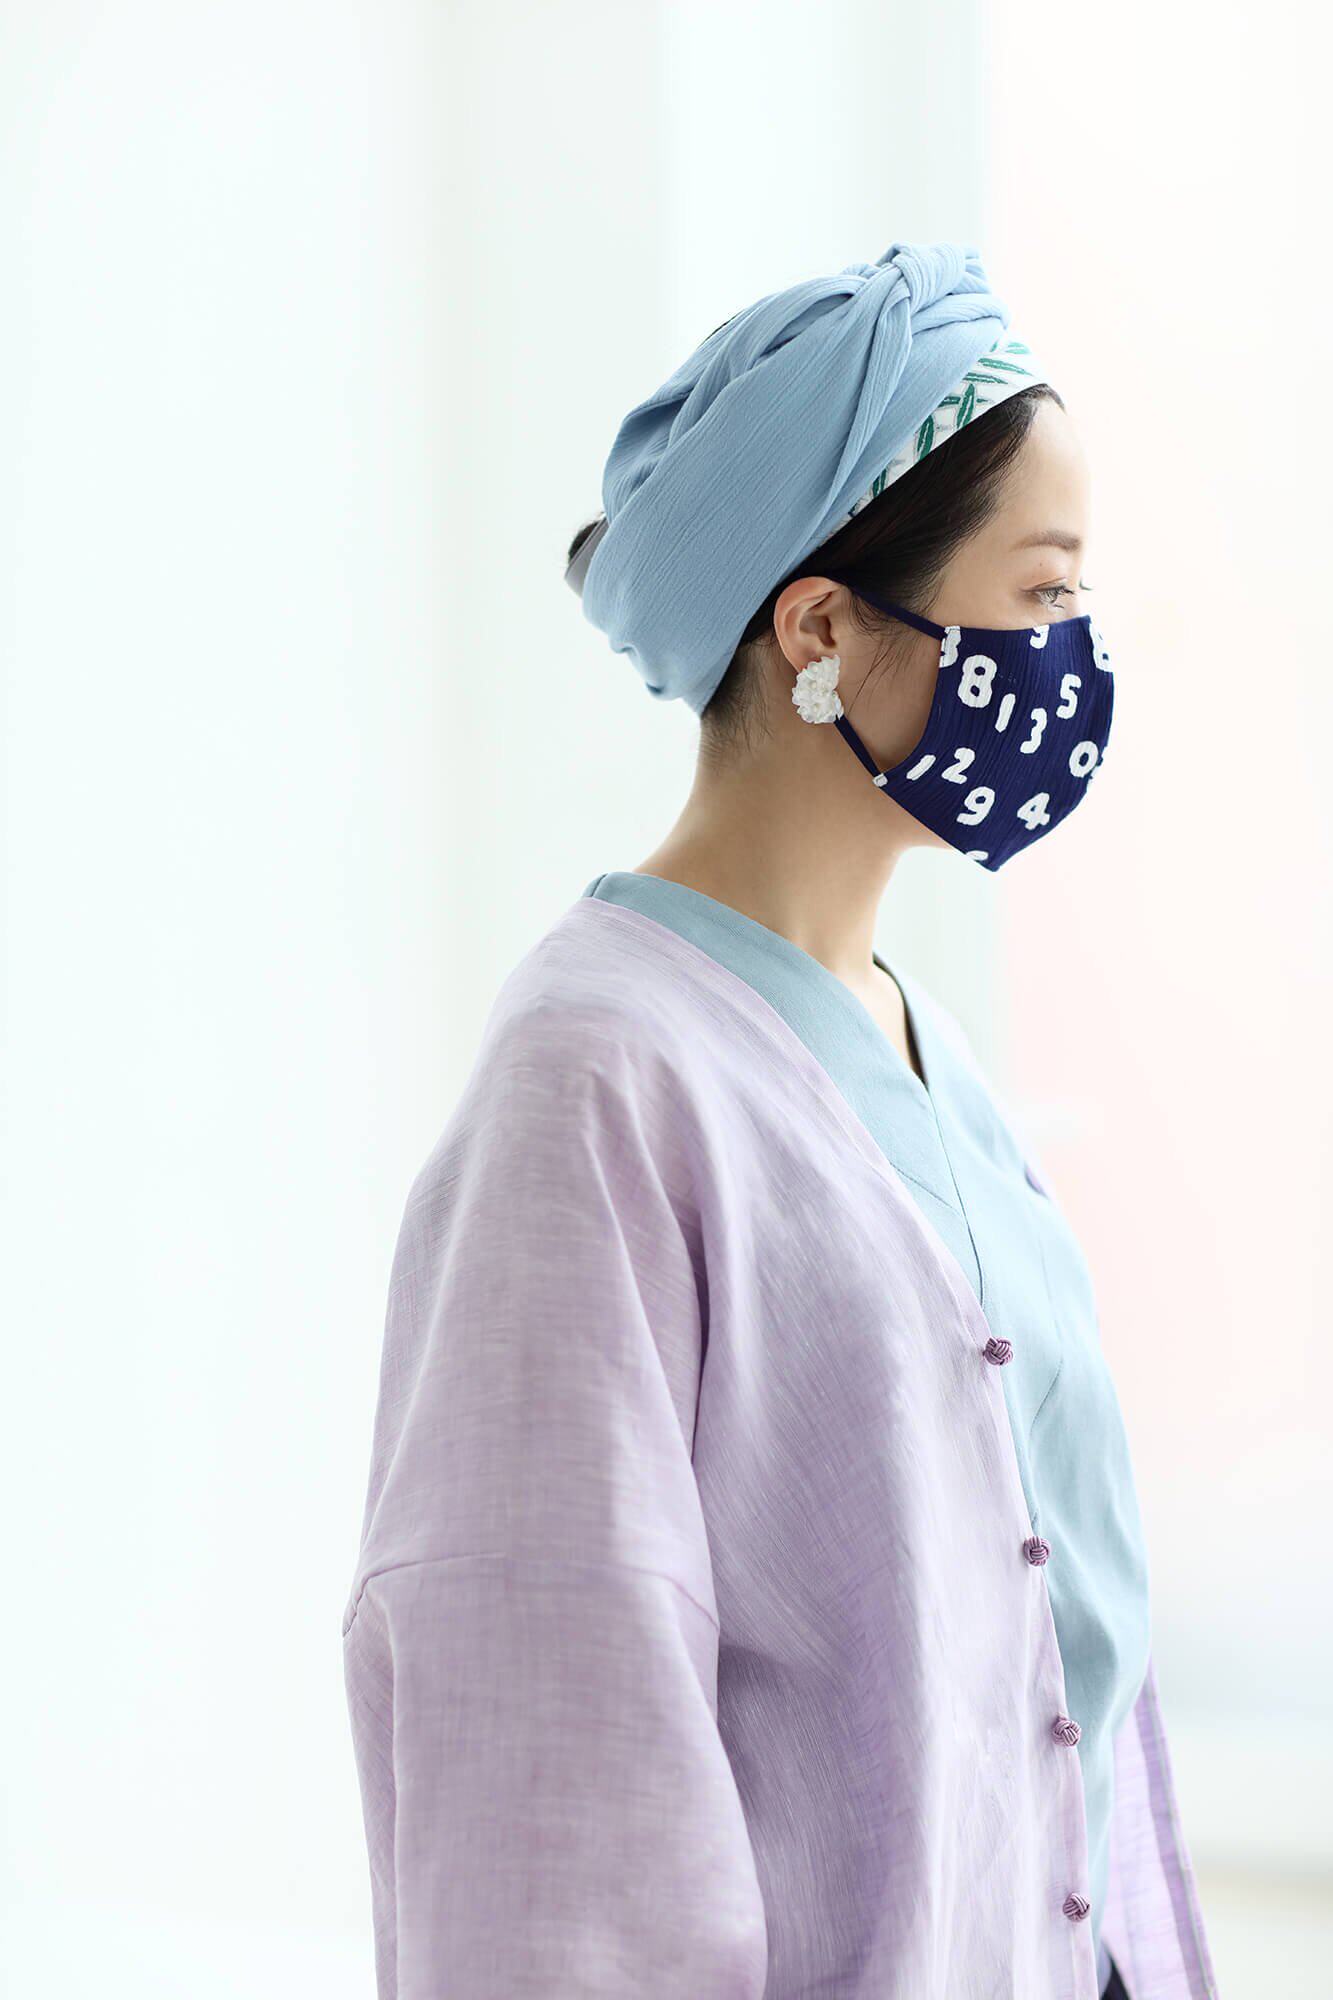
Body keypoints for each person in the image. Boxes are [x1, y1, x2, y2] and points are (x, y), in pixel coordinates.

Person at [340, 240, 1220, 1999]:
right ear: (817, 629)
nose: (1069, 659)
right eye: (1040, 593)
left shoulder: (917, 1047)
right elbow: (548, 1722)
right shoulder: (596, 1082)